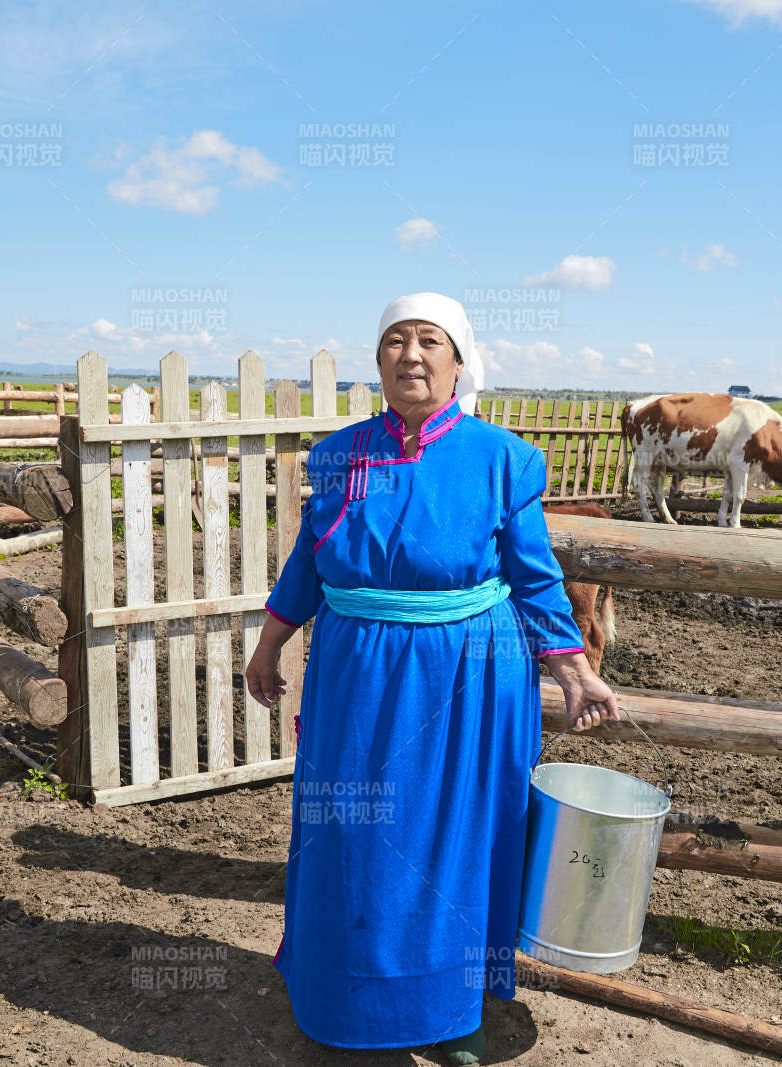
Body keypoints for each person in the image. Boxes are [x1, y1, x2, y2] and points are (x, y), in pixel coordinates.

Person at [244, 292, 619, 1065]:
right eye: (394, 340)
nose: (410, 353)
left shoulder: (503, 458)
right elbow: (310, 561)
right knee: (354, 834)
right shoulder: (338, 454)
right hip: (354, 676)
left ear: (458, 361)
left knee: (457, 840)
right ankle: (345, 993)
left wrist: (575, 670)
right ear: (378, 359)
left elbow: (534, 576)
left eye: (429, 340)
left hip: (468, 683)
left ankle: (452, 1012)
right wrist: (269, 644)